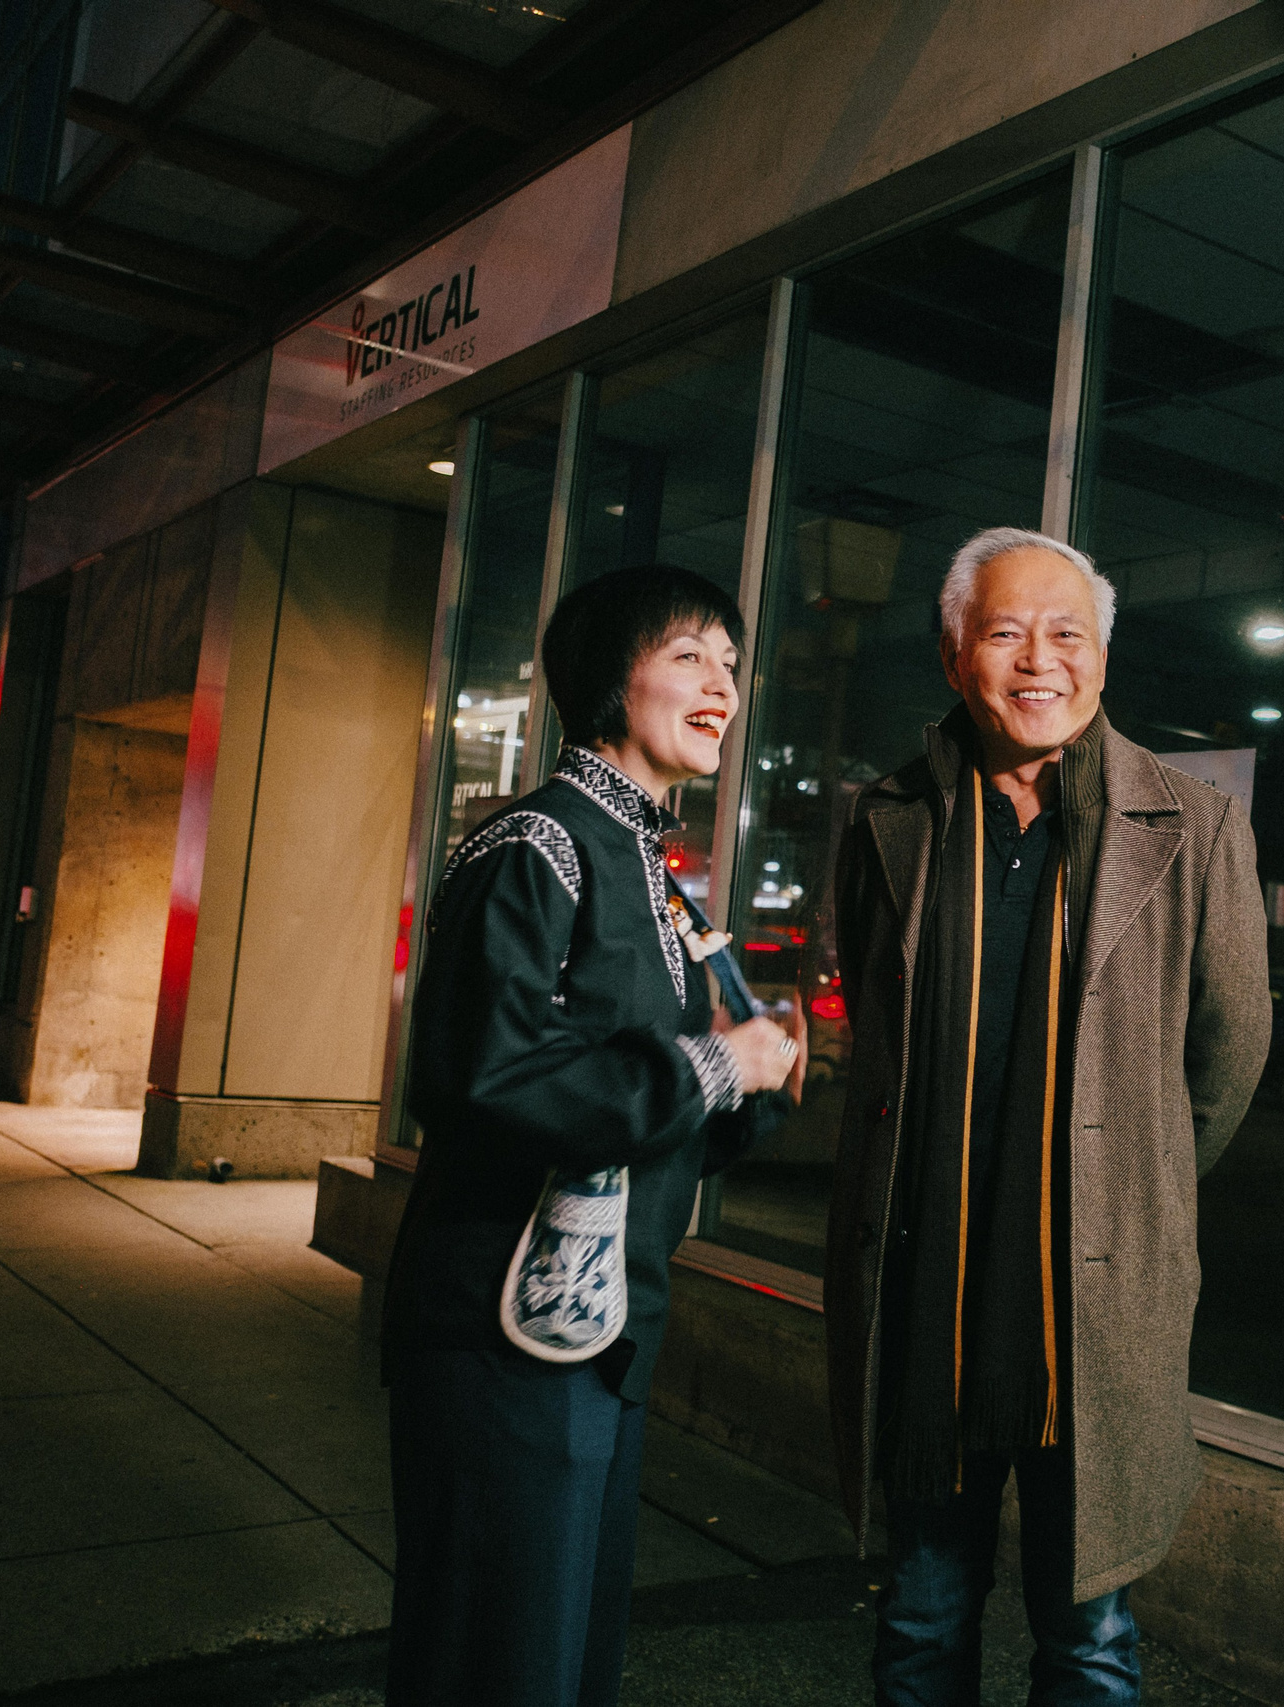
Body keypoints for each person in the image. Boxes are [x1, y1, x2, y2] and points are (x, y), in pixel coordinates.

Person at [827, 526, 1271, 1705]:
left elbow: (1227, 1062)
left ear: (1103, 659)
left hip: (1094, 1304)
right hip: (930, 1297)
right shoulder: (889, 820)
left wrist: (1130, 1186)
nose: (1040, 661)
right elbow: (873, 1045)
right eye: (1007, 632)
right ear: (951, 653)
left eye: (1067, 634)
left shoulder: (1190, 829)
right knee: (921, 1619)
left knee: (1090, 1639)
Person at [383, 566, 803, 1707]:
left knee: (559, 1654)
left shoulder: (657, 875)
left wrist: (744, 1081)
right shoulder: (533, 846)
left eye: (729, 658)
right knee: (496, 1652)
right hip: (498, 1329)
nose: (722, 681)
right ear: (607, 680)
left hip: (598, 1328)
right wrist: (717, 1064)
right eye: (687, 656)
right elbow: (486, 1075)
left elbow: (668, 1114)